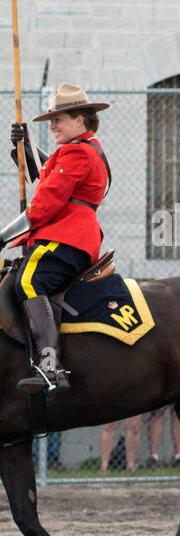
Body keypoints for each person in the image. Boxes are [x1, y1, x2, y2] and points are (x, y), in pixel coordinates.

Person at [2, 83, 111, 393]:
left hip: (65, 239)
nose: (52, 126)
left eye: (57, 120)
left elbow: (45, 203)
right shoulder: (81, 150)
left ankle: (50, 365)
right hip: (68, 237)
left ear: (79, 120)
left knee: (27, 282)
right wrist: (26, 144)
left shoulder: (79, 152)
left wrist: (2, 236)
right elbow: (49, 172)